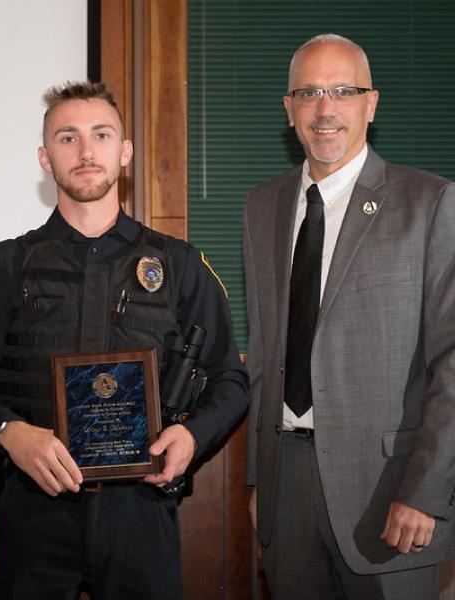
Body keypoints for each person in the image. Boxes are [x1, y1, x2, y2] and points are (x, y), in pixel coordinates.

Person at [0, 81, 248, 599]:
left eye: (101, 135)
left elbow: (231, 379)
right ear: (45, 157)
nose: (86, 152)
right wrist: (10, 433)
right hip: (34, 506)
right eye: (67, 138)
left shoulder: (180, 266)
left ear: (124, 152)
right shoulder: (2, 266)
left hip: (142, 509)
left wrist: (192, 436)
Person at [244, 34, 455, 599]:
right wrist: (260, 476)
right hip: (286, 490)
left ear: (372, 103)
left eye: (343, 90)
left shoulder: (430, 203)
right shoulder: (260, 207)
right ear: (289, 109)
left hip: (392, 494)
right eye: (308, 92)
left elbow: (452, 364)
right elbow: (264, 352)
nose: (325, 108)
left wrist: (426, 492)